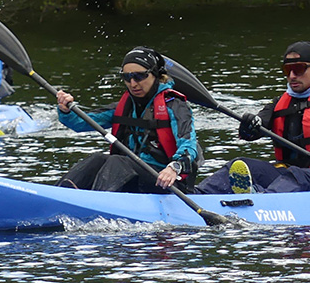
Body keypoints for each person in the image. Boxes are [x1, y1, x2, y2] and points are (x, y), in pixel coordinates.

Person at [192, 41, 310, 195]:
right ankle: (199, 196)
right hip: (290, 174)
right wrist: (249, 124)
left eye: (298, 69)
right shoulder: (280, 102)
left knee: (295, 176)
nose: (291, 76)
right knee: (239, 165)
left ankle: (262, 200)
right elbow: (250, 134)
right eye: (287, 70)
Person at [53, 47, 203, 193]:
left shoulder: (176, 106)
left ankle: (99, 200)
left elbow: (189, 145)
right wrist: (66, 110)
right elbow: (80, 123)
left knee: (117, 161)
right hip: (130, 176)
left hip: (167, 181)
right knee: (98, 159)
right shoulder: (124, 107)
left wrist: (174, 167)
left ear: (155, 74)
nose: (133, 83)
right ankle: (60, 193)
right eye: (127, 77)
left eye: (139, 76)